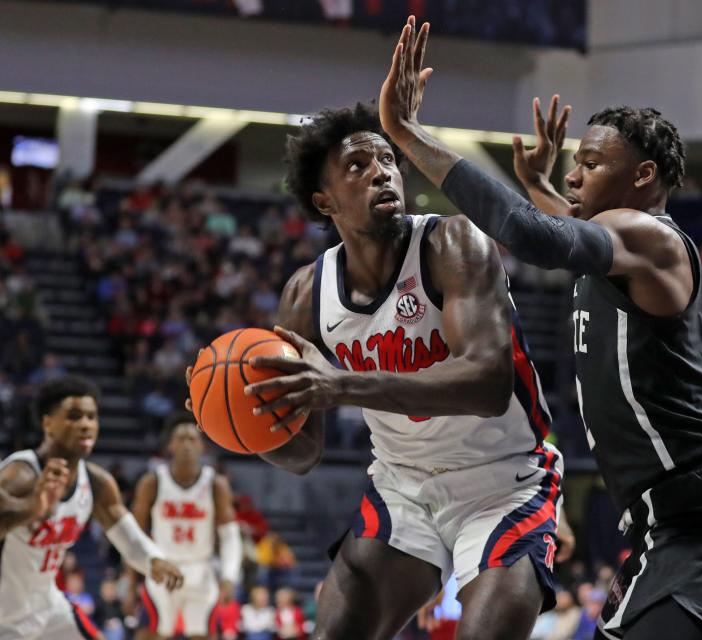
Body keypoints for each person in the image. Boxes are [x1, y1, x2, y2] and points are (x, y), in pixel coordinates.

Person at [374, 16, 702, 640]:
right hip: (663, 520)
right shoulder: (616, 243)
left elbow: (535, 234)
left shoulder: (650, 238)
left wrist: (407, 133)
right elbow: (561, 221)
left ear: (642, 177)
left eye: (590, 164)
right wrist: (536, 183)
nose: (573, 175)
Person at [193, 99, 571, 640]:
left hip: (504, 482)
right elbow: (304, 452)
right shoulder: (306, 295)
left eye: (387, 160)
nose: (381, 171)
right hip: (403, 488)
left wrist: (341, 385)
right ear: (325, 201)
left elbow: (488, 384)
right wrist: (232, 422)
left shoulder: (453, 242)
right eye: (358, 166)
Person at [0, 376, 183, 640]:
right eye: (74, 416)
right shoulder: (21, 473)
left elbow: (126, 534)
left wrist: (154, 559)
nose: (85, 425)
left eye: (91, 417)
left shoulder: (96, 483)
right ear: (47, 423)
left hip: (48, 607)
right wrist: (32, 509)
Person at [131, 412, 242, 640]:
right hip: (162, 567)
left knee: (203, 634)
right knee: (151, 633)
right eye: (181, 439)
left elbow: (230, 536)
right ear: (170, 445)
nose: (187, 445)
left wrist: (229, 576)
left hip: (200, 569)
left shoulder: (215, 484)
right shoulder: (152, 482)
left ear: (202, 446)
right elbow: (134, 533)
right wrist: (130, 579)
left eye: (192, 439)